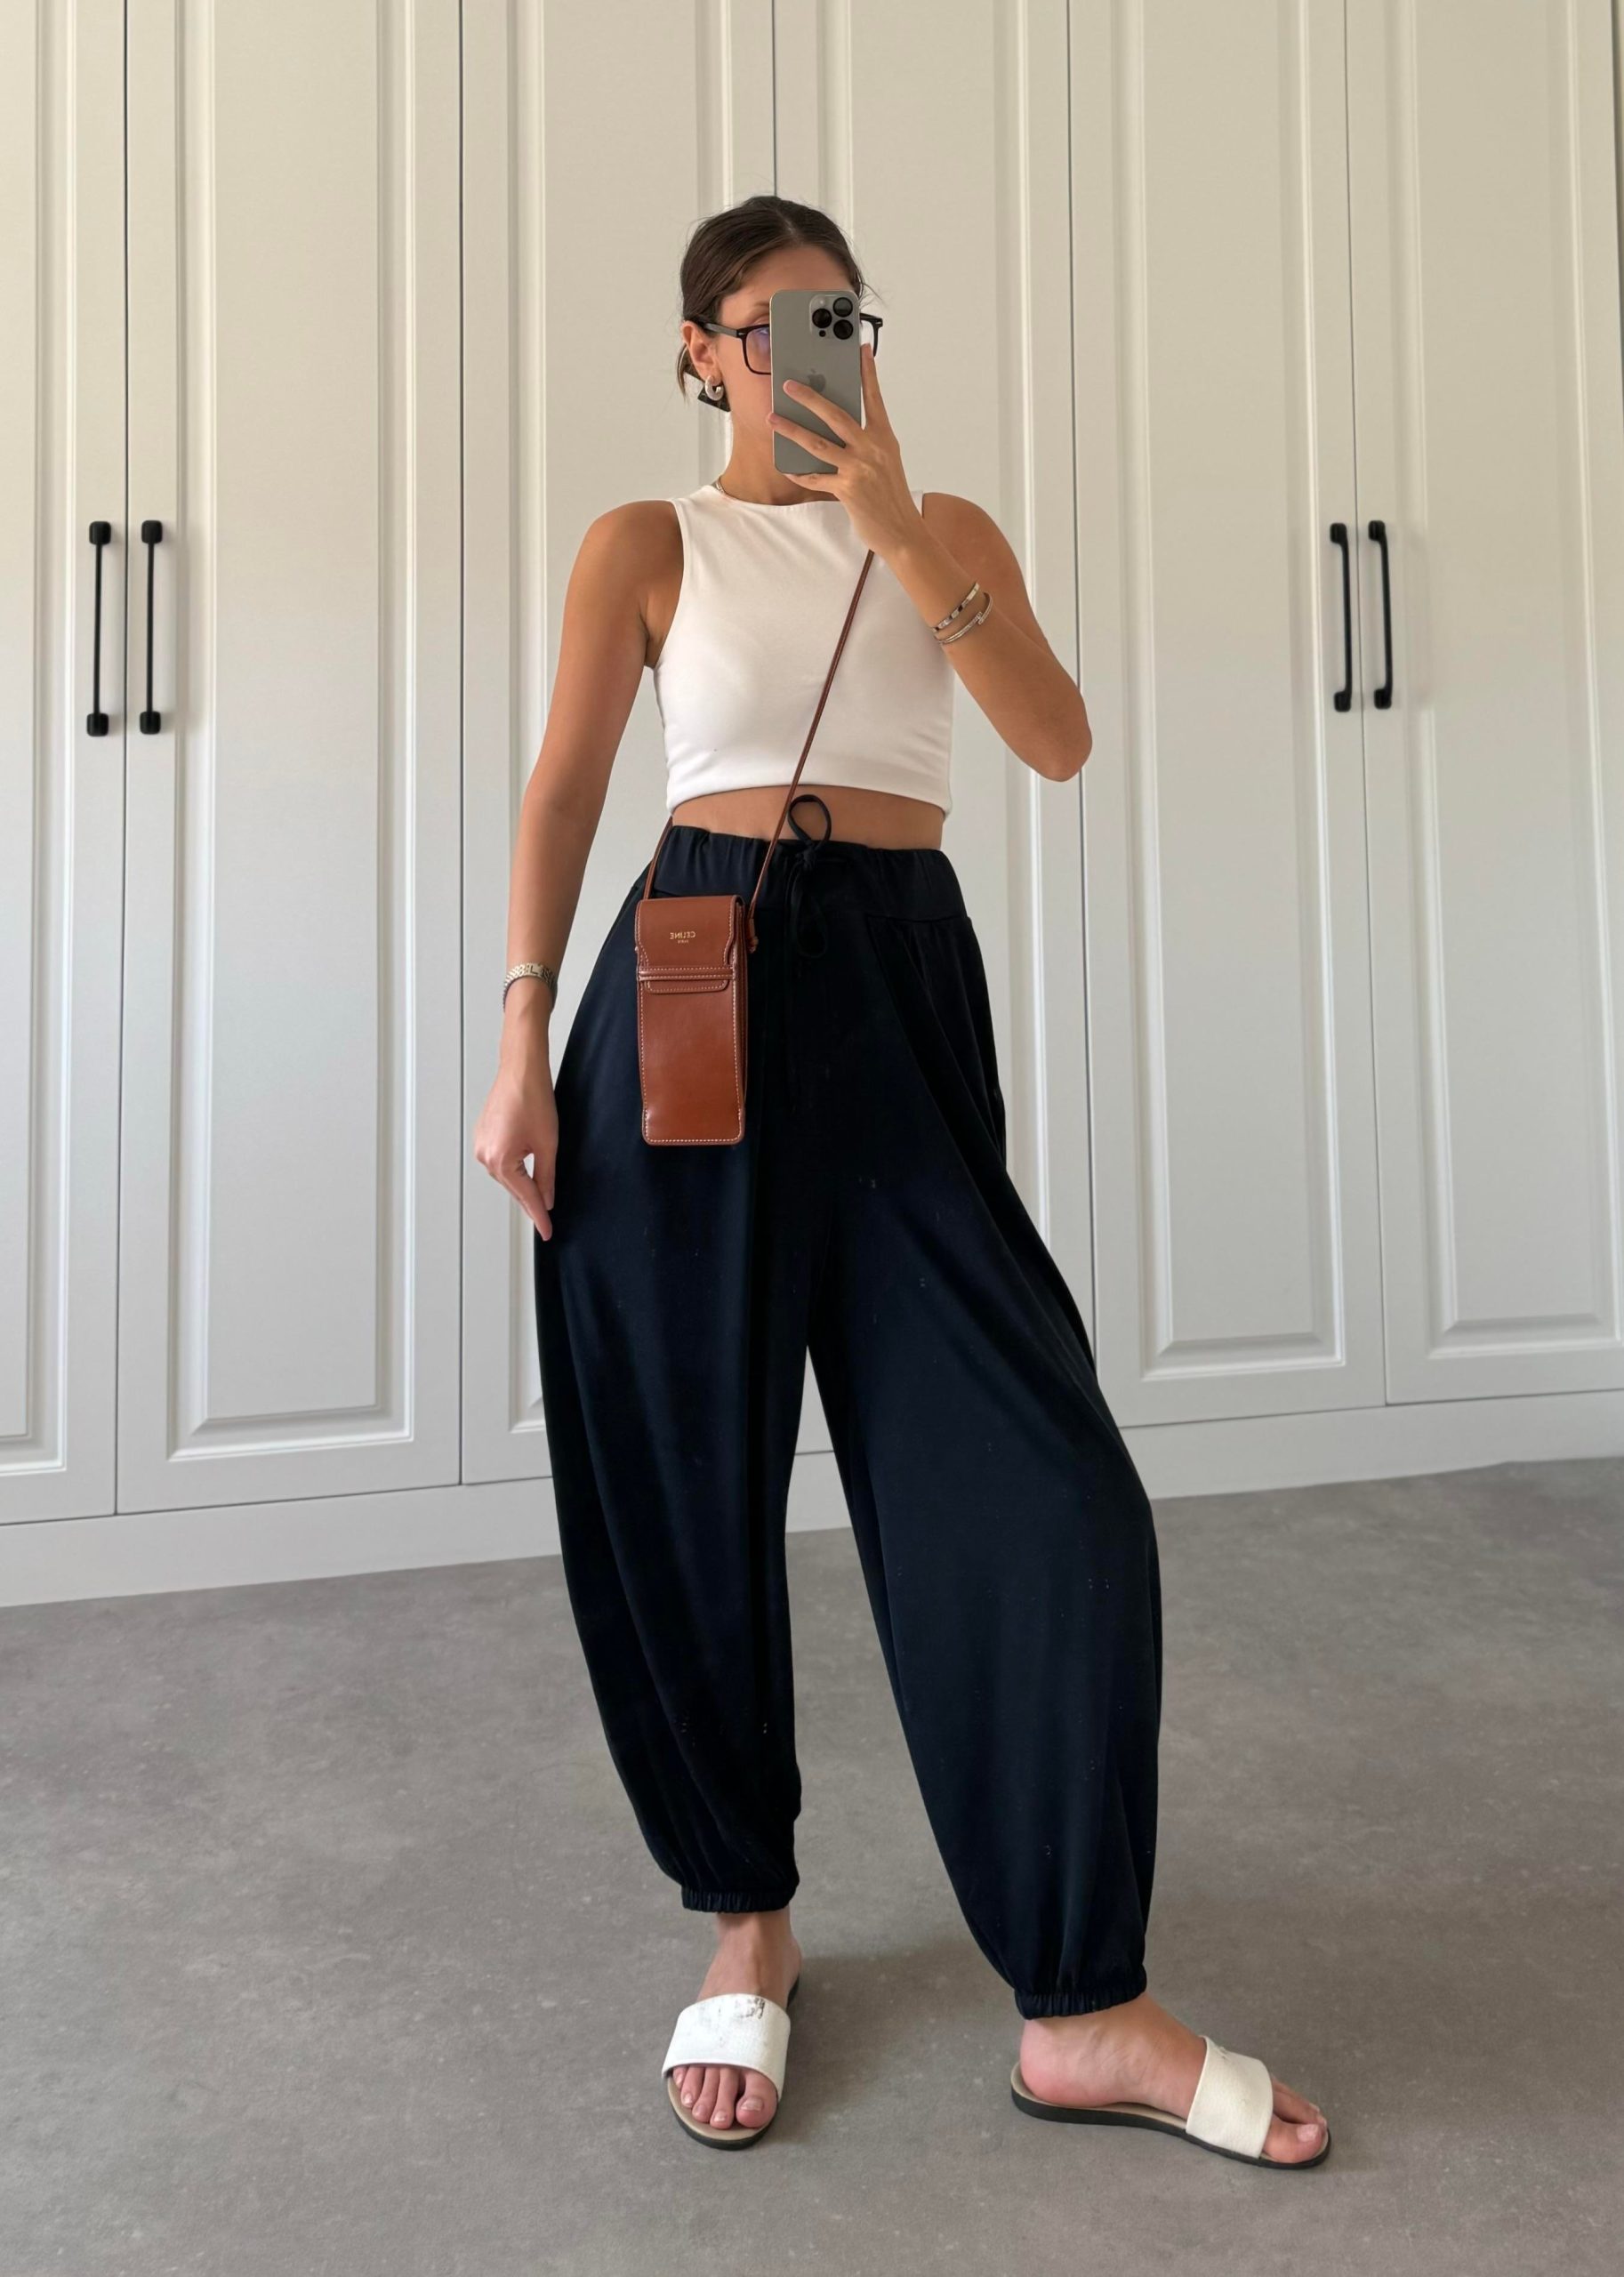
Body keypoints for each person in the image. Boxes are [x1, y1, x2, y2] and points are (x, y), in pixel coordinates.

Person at [473, 194, 1330, 2168]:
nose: (812, 354)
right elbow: (565, 787)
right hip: (685, 990)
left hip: (895, 997)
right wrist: (519, 1030)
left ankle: (1081, 2001)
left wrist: (899, 531)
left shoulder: (948, 530)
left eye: (840, 320)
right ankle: (744, 1915)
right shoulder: (645, 542)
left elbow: (1056, 740)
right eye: (771, 326)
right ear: (700, 353)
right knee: (679, 1474)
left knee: (1047, 1486)